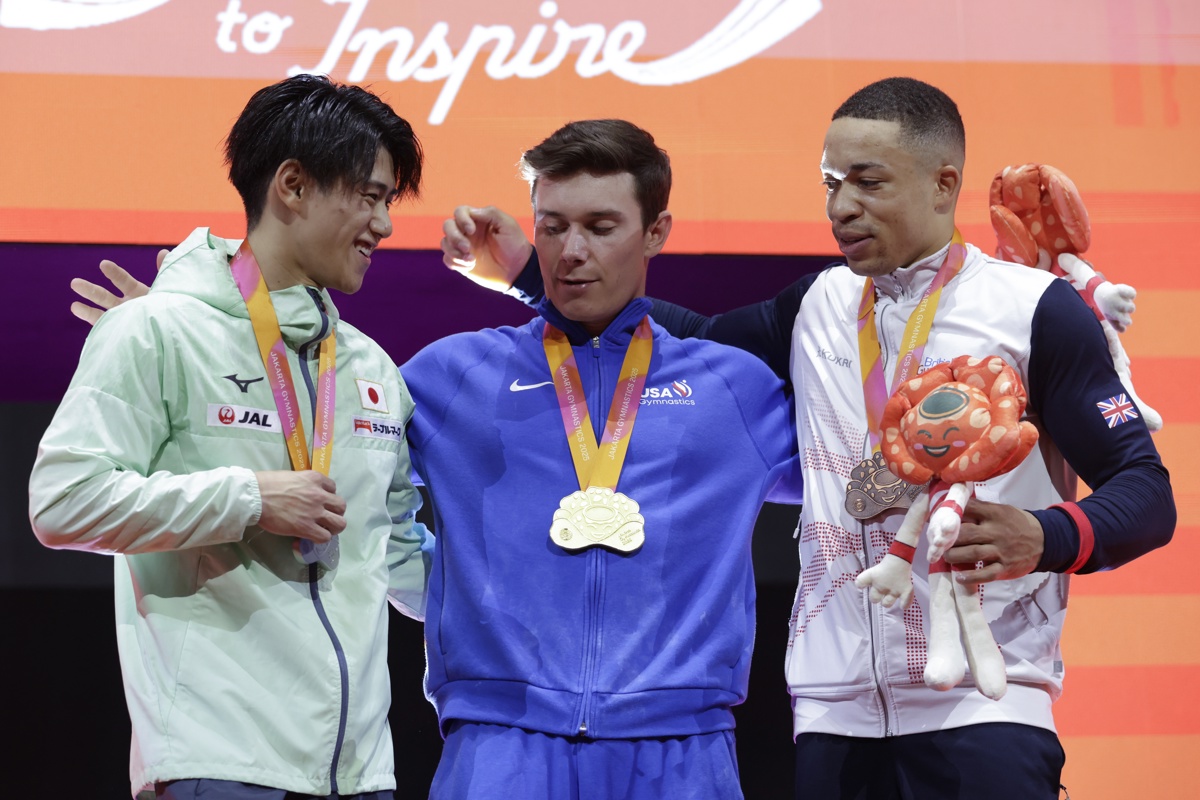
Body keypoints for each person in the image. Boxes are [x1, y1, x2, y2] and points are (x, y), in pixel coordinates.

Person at [438, 78, 1176, 799]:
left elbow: (1146, 493)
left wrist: (1045, 535)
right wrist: (530, 271)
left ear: (943, 184)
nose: (841, 207)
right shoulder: (818, 305)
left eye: (868, 182)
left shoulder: (1032, 309)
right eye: (830, 183)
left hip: (985, 700)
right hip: (832, 714)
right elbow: (678, 337)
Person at [66, 118, 802, 800]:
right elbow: (314, 440)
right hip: (497, 744)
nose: (571, 250)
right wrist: (198, 340)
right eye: (552, 227)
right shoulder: (453, 376)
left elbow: (843, 483)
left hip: (682, 747)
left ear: (656, 232)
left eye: (600, 227)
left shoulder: (734, 390)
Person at [29, 75, 432, 800]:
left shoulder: (373, 369)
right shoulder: (155, 330)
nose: (385, 225)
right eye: (370, 197)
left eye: (388, 202)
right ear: (293, 186)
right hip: (218, 764)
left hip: (361, 776)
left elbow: (400, 562)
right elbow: (63, 502)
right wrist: (249, 498)